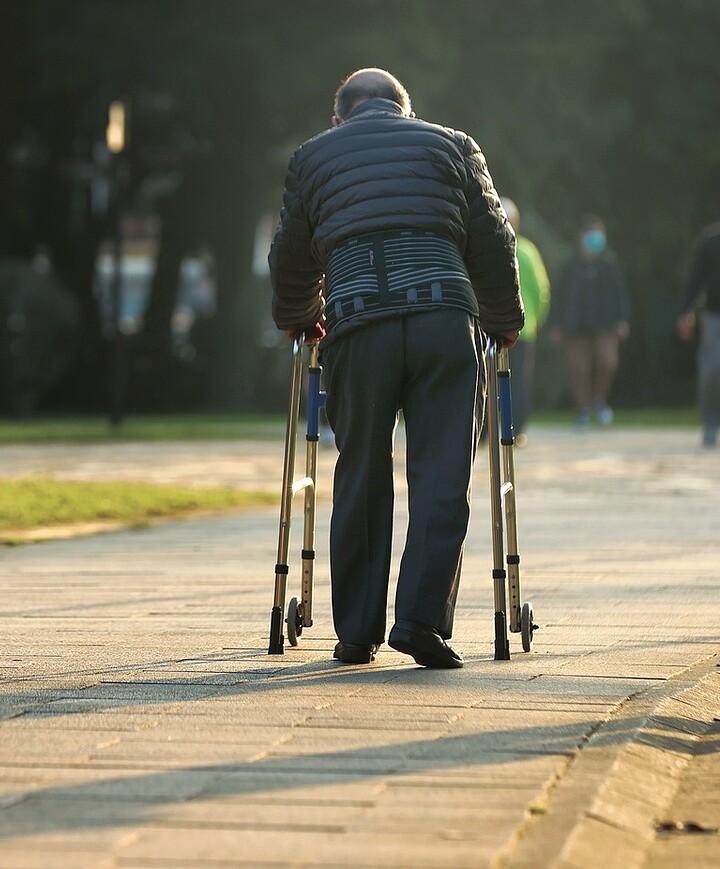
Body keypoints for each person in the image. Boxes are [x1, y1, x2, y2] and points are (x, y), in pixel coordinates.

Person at [268, 68, 523, 669]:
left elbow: (291, 252)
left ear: (340, 119)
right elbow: (492, 239)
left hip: (357, 321)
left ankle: (356, 633)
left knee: (360, 468)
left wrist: (300, 317)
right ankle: (421, 623)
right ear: (408, 113)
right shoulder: (454, 146)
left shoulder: (312, 158)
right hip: (443, 320)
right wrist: (503, 318)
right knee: (441, 472)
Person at [547, 215, 630, 430]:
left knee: (607, 361)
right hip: (575, 325)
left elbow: (620, 293)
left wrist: (622, 319)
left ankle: (599, 400)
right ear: (581, 236)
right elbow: (558, 295)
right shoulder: (570, 265)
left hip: (606, 323)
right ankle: (582, 409)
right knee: (579, 369)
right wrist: (555, 324)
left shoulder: (609, 263)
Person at [499, 198, 551, 444]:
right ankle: (509, 428)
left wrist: (535, 320)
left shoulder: (526, 252)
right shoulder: (525, 251)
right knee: (513, 380)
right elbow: (542, 293)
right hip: (518, 326)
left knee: (512, 381)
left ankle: (513, 428)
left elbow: (540, 291)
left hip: (514, 328)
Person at [676, 221, 720, 448]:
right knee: (712, 368)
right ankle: (711, 422)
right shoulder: (710, 242)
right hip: (714, 316)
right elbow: (695, 280)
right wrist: (686, 312)